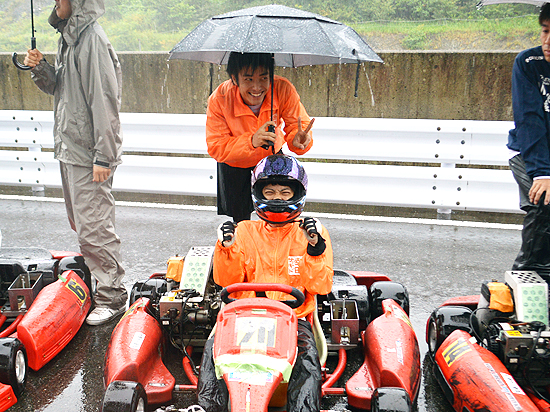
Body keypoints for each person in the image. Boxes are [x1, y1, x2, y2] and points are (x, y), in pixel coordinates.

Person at [197, 154, 333, 412]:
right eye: (269, 192)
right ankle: (209, 408)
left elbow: (321, 286)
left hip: (293, 318)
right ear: (258, 194)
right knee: (213, 356)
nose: (277, 198)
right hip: (244, 316)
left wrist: (315, 249)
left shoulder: (312, 232)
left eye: (284, 192)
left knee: (306, 364)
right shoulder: (244, 231)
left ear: (297, 193)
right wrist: (226, 249)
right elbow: (226, 281)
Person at [23, 0, 127, 325]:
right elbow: (60, 88)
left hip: (88, 154)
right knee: (83, 225)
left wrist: (104, 157)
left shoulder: (91, 39)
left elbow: (104, 101)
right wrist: (40, 68)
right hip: (71, 150)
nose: (56, 3)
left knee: (95, 226)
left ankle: (112, 297)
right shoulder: (70, 38)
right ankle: (103, 287)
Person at [206, 52, 315, 223]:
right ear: (234, 78)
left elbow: (298, 125)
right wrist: (251, 141)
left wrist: (298, 140)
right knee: (241, 221)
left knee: (278, 212)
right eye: (248, 79)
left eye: (264, 78)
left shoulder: (282, 88)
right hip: (235, 162)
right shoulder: (219, 99)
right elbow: (216, 147)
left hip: (272, 159)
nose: (257, 87)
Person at [508, 2, 550, 281]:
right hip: (533, 157)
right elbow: (529, 121)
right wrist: (544, 173)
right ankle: (528, 278)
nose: (547, 41)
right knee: (545, 202)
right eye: (545, 31)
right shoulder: (528, 63)